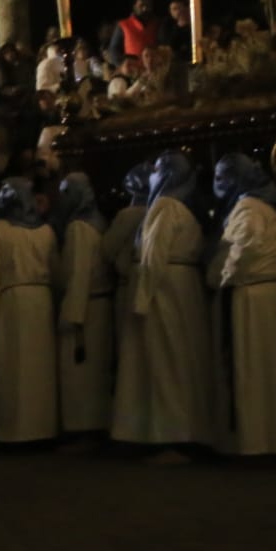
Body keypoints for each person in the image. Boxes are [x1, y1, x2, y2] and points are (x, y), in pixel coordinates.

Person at [116, 151, 212, 463]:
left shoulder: (164, 206)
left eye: (157, 170)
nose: (152, 176)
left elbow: (152, 255)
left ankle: (171, 436)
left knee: (165, 360)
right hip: (183, 287)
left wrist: (141, 299)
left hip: (164, 289)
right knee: (181, 360)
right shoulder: (185, 206)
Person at [207, 154, 276, 457]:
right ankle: (265, 441)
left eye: (223, 177)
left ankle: (255, 443)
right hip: (261, 295)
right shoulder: (258, 205)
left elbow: (243, 249)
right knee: (264, 370)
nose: (217, 185)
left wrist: (221, 278)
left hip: (253, 296)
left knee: (253, 370)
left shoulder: (249, 207)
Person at [0, 178, 58, 445]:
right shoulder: (46, 231)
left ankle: (13, 432)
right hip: (42, 301)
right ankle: (42, 429)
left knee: (12, 367)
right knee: (39, 369)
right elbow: (56, 270)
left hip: (12, 301)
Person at [51, 172, 113, 442]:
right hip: (99, 305)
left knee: (80, 375)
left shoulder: (78, 228)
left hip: (85, 310)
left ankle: (82, 431)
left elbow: (78, 275)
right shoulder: (97, 222)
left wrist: (71, 315)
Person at [104, 161, 153, 442]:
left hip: (126, 288)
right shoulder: (155, 209)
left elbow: (107, 248)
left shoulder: (129, 214)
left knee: (128, 357)